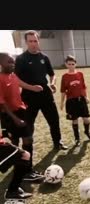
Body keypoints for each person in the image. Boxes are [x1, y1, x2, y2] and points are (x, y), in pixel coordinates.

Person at [14, 30, 68, 150]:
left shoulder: (44, 57)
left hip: (45, 94)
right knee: (28, 123)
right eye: (30, 41)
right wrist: (31, 87)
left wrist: (52, 84)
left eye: (35, 41)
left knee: (54, 120)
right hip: (28, 96)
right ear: (26, 42)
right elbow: (16, 80)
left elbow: (52, 74)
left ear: (38, 41)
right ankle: (27, 147)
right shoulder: (21, 59)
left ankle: (57, 142)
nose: (33, 43)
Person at [0, 52, 44, 181]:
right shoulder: (0, 79)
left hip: (21, 111)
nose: (12, 63)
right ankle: (24, 171)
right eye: (9, 61)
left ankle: (27, 170)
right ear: (1, 63)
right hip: (9, 115)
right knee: (17, 142)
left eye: (13, 61)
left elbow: (21, 84)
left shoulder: (13, 75)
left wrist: (33, 88)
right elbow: (1, 104)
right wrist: (15, 119)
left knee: (27, 139)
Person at [60, 55, 90, 146]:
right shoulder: (65, 76)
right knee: (74, 120)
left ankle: (87, 132)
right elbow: (63, 91)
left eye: (73, 64)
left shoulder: (80, 74)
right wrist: (62, 103)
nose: (71, 66)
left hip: (81, 100)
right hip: (71, 101)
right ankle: (77, 138)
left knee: (86, 119)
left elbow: (83, 87)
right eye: (69, 64)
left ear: (75, 64)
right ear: (66, 64)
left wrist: (86, 97)